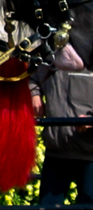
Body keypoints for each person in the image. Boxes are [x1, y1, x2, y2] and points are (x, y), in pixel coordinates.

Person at [29, 66, 93, 206]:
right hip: (56, 153)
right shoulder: (51, 53)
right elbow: (32, 76)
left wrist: (91, 120)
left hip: (89, 155)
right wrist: (34, 94)